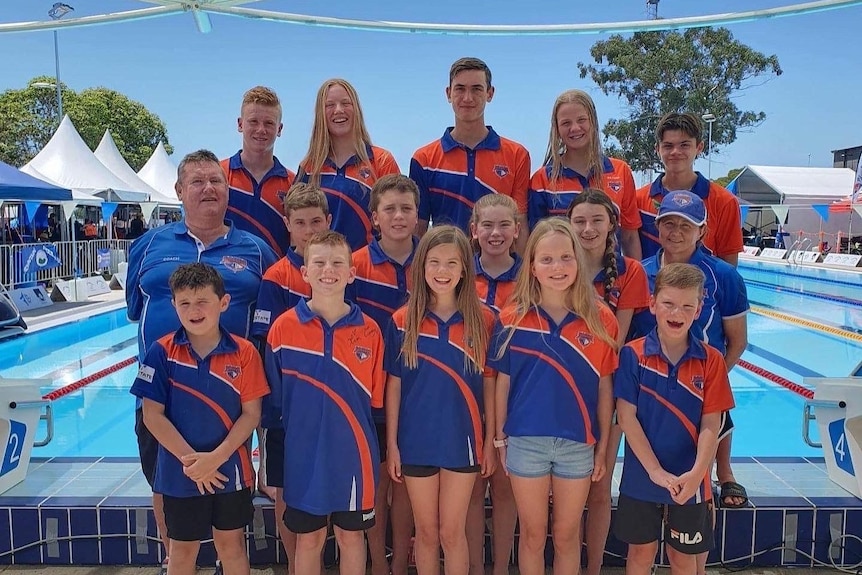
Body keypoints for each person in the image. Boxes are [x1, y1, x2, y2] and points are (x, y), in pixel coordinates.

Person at [126, 149, 278, 575]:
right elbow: (136, 312)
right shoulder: (148, 246)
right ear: (179, 191)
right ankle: (174, 560)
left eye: (216, 181)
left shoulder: (256, 250)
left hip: (229, 401)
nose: (208, 189)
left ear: (228, 190)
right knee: (166, 489)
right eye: (197, 182)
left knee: (229, 517)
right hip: (161, 398)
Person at [490, 218, 618, 575]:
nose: (557, 267)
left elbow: (605, 387)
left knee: (565, 535)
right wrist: (500, 439)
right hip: (526, 441)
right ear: (531, 266)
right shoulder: (513, 317)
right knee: (532, 534)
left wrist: (603, 445)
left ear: (578, 261)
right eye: (546, 260)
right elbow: (503, 380)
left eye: (565, 258)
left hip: (578, 442)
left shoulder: (600, 319)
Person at [130, 263, 269, 575]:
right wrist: (193, 463)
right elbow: (152, 415)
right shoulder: (161, 352)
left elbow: (251, 415)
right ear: (174, 305)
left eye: (202, 301)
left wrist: (215, 459)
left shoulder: (244, 353)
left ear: (223, 303)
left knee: (231, 546)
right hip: (181, 473)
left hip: (230, 469)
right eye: (185, 303)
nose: (194, 310)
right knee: (181, 551)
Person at [634, 191, 749, 567]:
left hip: (702, 393)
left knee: (699, 493)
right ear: (657, 225)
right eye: (668, 223)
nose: (676, 231)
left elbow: (737, 340)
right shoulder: (641, 273)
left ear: (702, 230)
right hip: (651, 401)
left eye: (685, 225)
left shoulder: (725, 277)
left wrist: (703, 387)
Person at [264, 230, 385, 575]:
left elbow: (375, 400)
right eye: (318, 262)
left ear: (351, 273)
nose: (327, 269)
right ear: (304, 272)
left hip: (355, 458)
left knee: (351, 539)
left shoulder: (371, 331)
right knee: (309, 540)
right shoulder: (283, 330)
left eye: (337, 263)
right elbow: (274, 404)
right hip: (304, 458)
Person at [385, 225, 497, 575]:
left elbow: (491, 388)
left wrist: (492, 442)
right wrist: (392, 444)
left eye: (451, 263)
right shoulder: (403, 321)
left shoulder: (485, 320)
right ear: (421, 268)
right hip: (416, 440)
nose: (442, 271)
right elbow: (395, 386)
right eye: (434, 262)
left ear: (465, 267)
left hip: (462, 441)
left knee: (452, 531)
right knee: (427, 533)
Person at [613, 263, 735, 575]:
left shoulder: (711, 361)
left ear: (698, 311)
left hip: (690, 477)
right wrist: (654, 471)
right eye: (668, 303)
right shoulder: (632, 355)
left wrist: (698, 473)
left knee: (683, 558)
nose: (676, 312)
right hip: (642, 474)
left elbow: (712, 423)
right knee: (640, 554)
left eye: (686, 306)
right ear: (652, 304)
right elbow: (626, 417)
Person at [566, 189, 651, 575]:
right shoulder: (556, 265)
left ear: (612, 225)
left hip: (606, 387)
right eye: (580, 220)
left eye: (597, 220)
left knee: (599, 486)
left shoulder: (631, 272)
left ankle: (594, 566)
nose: (587, 228)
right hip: (561, 387)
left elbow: (617, 340)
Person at [251, 181, 332, 574]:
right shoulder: (278, 276)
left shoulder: (337, 267)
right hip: (287, 410)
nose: (309, 229)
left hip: (329, 405)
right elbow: (268, 348)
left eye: (316, 221)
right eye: (300, 222)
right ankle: (293, 562)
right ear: (288, 224)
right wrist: (275, 408)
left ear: (328, 221)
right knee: (285, 489)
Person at [346, 173, 418, 575]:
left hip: (417, 394)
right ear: (374, 217)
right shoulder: (355, 265)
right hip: (370, 394)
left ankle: (402, 563)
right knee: (375, 486)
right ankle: (376, 563)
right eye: (389, 208)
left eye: (406, 208)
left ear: (417, 214)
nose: (398, 216)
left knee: (405, 485)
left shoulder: (431, 260)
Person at [410, 57, 531, 254]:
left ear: (490, 94)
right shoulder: (424, 160)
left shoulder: (517, 155)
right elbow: (419, 228)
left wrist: (519, 276)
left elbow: (521, 224)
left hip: (498, 273)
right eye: (460, 89)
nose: (467, 98)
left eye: (476, 89)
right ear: (448, 94)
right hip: (445, 274)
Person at [466, 193, 521, 575]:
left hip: (513, 400)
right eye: (487, 224)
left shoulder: (532, 278)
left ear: (517, 231)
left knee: (504, 490)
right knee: (469, 493)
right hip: (465, 395)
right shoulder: (457, 273)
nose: (496, 233)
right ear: (474, 230)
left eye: (504, 225)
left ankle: (500, 567)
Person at [528, 89, 642, 260]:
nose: (575, 128)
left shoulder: (620, 171)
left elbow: (629, 236)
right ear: (557, 129)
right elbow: (536, 241)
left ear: (593, 122)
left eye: (582, 120)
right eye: (566, 123)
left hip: (612, 279)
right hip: (562, 279)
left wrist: (636, 280)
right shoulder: (542, 179)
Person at [295, 78, 401, 252]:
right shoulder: (309, 167)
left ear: (356, 109)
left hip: (367, 270)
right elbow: (296, 229)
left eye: (345, 103)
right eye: (330, 105)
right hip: (321, 271)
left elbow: (396, 221)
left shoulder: (381, 161)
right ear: (320, 113)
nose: (338, 110)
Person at [636, 112, 743, 266]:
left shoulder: (724, 202)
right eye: (668, 146)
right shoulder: (638, 200)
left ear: (699, 147)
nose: (675, 152)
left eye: (684, 145)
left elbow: (729, 266)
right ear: (657, 149)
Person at [222, 86, 296, 257]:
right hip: (226, 279)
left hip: (274, 279)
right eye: (253, 121)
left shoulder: (294, 183)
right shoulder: (218, 175)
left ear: (279, 129)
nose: (261, 129)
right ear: (240, 124)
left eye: (269, 123)